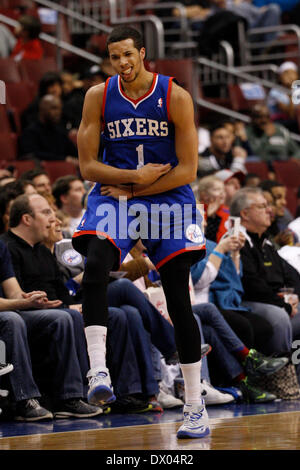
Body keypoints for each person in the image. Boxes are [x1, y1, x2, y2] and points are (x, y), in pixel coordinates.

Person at [72, 25, 209, 439]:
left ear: (143, 53)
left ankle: (194, 406)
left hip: (167, 196)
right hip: (117, 193)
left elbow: (188, 169)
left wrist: (137, 186)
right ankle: (99, 371)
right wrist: (131, 180)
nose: (123, 63)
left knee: (177, 297)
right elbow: (88, 168)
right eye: (115, 57)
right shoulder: (98, 96)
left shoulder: (175, 96)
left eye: (129, 55)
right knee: (95, 264)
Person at [230, 187, 300, 353]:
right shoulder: (237, 241)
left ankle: (294, 373)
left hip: (276, 299)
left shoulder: (266, 242)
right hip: (249, 301)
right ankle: (279, 370)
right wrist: (283, 304)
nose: (269, 210)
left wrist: (293, 297)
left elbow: (289, 274)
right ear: (245, 214)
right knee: (279, 317)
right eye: (262, 206)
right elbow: (250, 284)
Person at [19, 95, 78, 165]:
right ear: (42, 109)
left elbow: (75, 153)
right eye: (54, 108)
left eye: (59, 109)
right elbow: (31, 155)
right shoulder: (30, 132)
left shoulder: (60, 132)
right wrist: (64, 159)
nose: (58, 113)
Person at [267, 61, 299, 133]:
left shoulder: (298, 88)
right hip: (280, 122)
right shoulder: (275, 91)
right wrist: (290, 91)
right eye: (286, 73)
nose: (290, 76)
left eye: (292, 73)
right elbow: (289, 114)